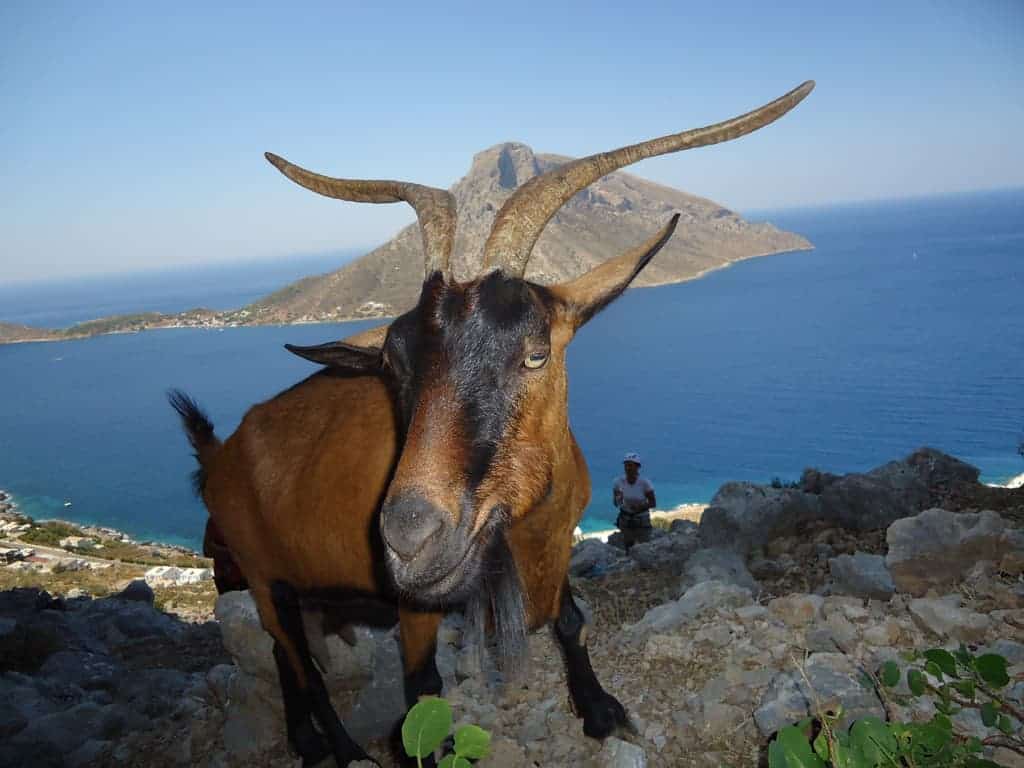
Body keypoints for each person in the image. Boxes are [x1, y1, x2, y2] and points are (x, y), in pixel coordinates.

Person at [613, 452, 656, 550]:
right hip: (625, 518)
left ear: (637, 467)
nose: (628, 468)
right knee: (628, 545)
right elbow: (616, 503)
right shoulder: (618, 482)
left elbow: (653, 503)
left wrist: (639, 507)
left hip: (641, 519)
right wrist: (619, 499)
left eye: (631, 465)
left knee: (645, 546)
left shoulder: (645, 483)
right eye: (626, 465)